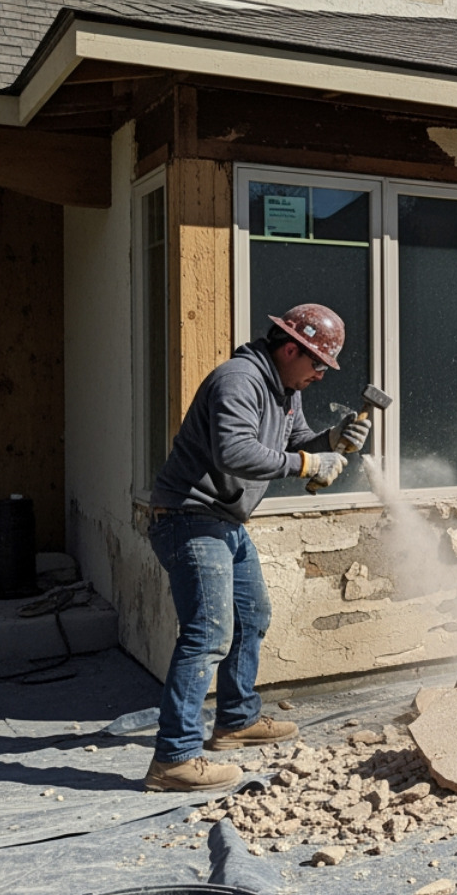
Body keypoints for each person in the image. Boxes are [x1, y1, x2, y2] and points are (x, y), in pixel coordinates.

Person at [142, 303, 370, 792]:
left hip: (222, 519)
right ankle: (173, 759)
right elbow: (236, 450)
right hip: (188, 516)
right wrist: (308, 464)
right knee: (207, 634)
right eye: (317, 365)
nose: (320, 376)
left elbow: (298, 440)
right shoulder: (239, 380)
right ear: (291, 348)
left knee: (252, 617)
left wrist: (333, 438)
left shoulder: (286, 390)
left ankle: (236, 722)